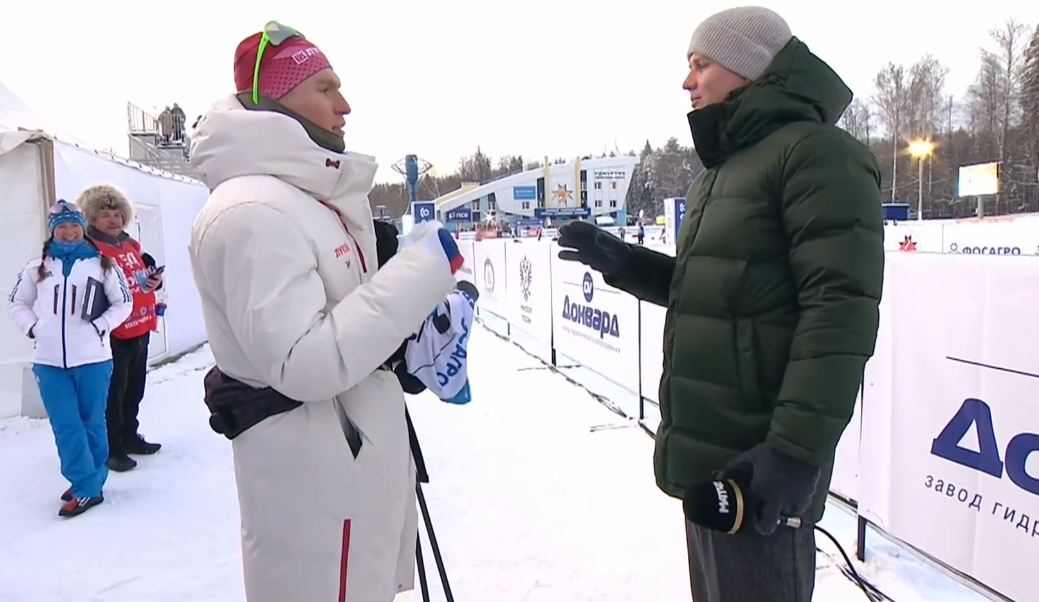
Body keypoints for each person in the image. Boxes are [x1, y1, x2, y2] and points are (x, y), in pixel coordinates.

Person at [556, 7, 884, 602]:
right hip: (711, 457)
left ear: (747, 67)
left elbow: (839, 313)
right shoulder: (722, 171)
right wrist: (627, 264)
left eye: (700, 64)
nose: (688, 82)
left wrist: (792, 452)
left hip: (761, 463)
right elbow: (715, 291)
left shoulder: (818, 156)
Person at [187, 21, 461, 602]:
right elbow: (305, 362)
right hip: (319, 495)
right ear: (276, 102)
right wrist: (419, 272)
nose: (345, 104)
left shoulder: (305, 197)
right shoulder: (251, 211)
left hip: (349, 477)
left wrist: (398, 341)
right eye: (326, 88)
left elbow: (347, 325)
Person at [8, 200, 134, 517]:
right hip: (50, 362)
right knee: (66, 424)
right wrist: (33, 327)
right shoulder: (36, 267)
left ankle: (88, 483)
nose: (68, 232)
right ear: (52, 231)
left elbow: (124, 303)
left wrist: (100, 325)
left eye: (74, 225)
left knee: (92, 422)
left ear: (82, 227)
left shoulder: (103, 264)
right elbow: (17, 303)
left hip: (93, 358)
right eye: (61, 226)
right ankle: (86, 481)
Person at [79, 184, 164, 472]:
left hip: (140, 326)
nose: (113, 219)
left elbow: (142, 275)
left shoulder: (130, 244)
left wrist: (155, 282)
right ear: (92, 218)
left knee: (133, 390)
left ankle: (129, 435)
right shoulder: (89, 249)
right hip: (112, 334)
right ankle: (111, 447)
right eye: (105, 214)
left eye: (117, 213)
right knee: (112, 394)